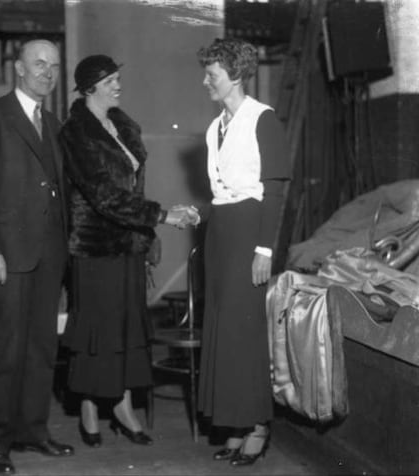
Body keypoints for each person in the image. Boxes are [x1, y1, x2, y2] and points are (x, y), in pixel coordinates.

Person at [59, 54, 198, 449]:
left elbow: (131, 190)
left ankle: (121, 405)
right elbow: (104, 196)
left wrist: (148, 230)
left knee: (124, 328)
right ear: (89, 88)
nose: (118, 85)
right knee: (95, 330)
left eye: (118, 78)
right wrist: (164, 216)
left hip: (129, 244)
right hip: (95, 247)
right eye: (110, 81)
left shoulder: (122, 126)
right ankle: (88, 405)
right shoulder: (76, 134)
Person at [0, 39, 73, 475]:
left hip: (49, 254)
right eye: (39, 64)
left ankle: (33, 430)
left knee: (42, 348)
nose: (48, 72)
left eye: (55, 66)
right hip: (8, 254)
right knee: (6, 349)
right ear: (19, 69)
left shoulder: (55, 124)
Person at [195, 38, 290, 466]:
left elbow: (274, 189)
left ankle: (257, 426)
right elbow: (221, 192)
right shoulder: (216, 126)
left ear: (234, 75)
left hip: (251, 231)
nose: (205, 81)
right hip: (221, 234)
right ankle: (234, 424)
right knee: (222, 329)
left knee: (245, 332)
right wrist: (199, 218)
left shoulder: (262, 119)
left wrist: (265, 249)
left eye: (212, 74)